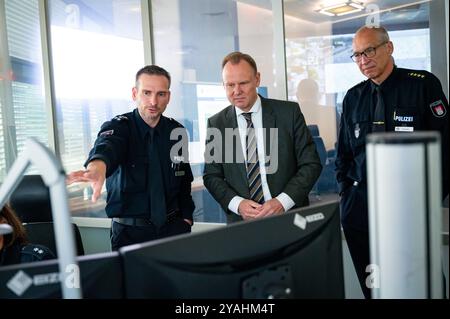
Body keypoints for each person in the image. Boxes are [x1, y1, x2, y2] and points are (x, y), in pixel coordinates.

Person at [336, 26, 449, 298]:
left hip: (411, 209)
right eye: (357, 55)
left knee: (424, 285)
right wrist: (347, 197)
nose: (364, 60)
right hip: (361, 210)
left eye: (370, 51)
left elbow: (445, 148)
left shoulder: (422, 84)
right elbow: (344, 155)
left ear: (389, 47)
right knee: (374, 287)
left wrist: (428, 202)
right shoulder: (353, 97)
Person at [67, 65, 195, 250]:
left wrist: (186, 217)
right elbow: (107, 148)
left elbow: (183, 178)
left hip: (173, 230)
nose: (153, 101)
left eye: (160, 94)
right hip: (130, 234)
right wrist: (97, 169)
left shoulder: (177, 131)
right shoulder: (119, 127)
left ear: (168, 96)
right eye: (146, 93)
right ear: (135, 94)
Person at [203, 52, 322, 223]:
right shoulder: (217, 124)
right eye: (230, 85)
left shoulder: (289, 114)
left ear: (257, 79)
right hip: (243, 223)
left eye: (243, 83)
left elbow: (310, 164)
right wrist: (238, 204)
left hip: (289, 217)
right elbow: (212, 176)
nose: (237, 91)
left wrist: (282, 202)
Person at [296, 78, 337, 151]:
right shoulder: (331, 112)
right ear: (318, 95)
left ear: (297, 95)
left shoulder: (290, 116)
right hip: (330, 157)